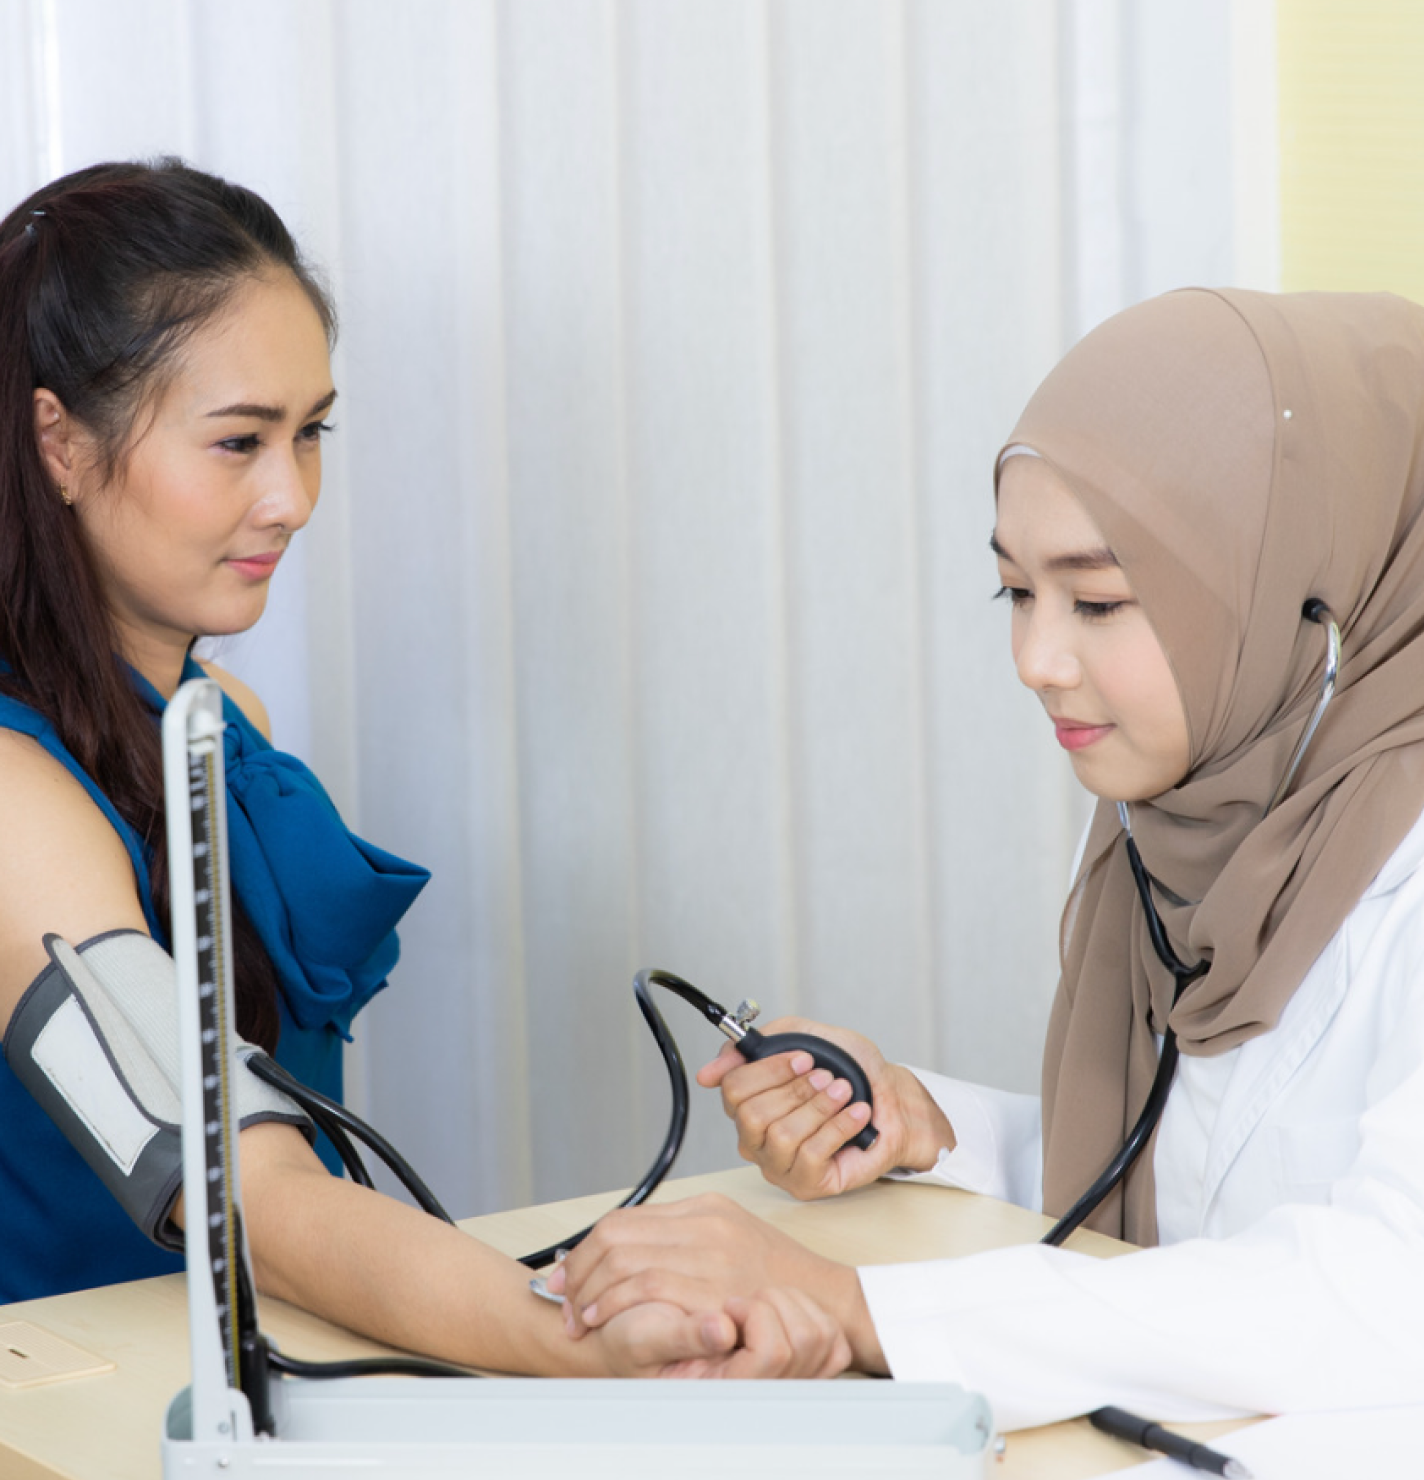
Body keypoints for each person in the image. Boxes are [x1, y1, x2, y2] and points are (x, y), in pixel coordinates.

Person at [0, 157, 843, 1379]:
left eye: (310, 433)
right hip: (87, 1415)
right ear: (60, 443)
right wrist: (574, 1342)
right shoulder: (16, 797)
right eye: (238, 441)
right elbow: (249, 1186)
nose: (291, 496)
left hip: (256, 1365)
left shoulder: (217, 711)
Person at [551, 287, 1424, 1425]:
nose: (1035, 657)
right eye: (1014, 589)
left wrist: (853, 1308)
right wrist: (926, 1129)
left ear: (1316, 604)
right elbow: (1190, 1181)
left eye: (1098, 600)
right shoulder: (1176, 828)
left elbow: (1374, 1297)